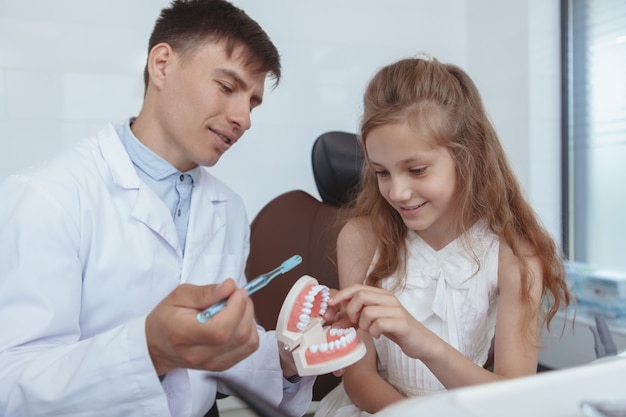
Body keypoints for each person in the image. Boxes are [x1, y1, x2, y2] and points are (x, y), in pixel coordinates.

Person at [0, 1, 315, 416]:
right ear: (162, 64)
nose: (243, 118)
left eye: (253, 103)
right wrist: (148, 350)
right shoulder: (48, 196)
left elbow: (214, 360)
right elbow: (12, 384)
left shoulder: (228, 209)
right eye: (226, 87)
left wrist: (289, 358)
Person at [314, 54, 572, 416]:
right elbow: (359, 378)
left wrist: (422, 341)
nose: (398, 192)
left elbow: (515, 398)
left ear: (467, 158)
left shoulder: (514, 254)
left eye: (416, 170)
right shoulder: (360, 238)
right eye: (382, 172)